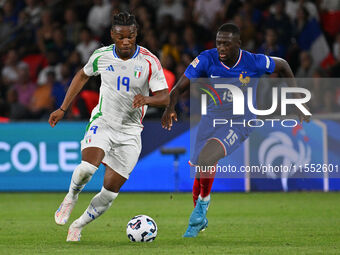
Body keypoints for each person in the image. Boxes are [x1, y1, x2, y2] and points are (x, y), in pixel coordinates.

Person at [161, 23, 310, 238]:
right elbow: (178, 88)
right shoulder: (206, 59)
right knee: (200, 168)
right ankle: (200, 217)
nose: (221, 48)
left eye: (226, 44)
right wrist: (170, 107)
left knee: (206, 158)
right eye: (219, 43)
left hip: (240, 122)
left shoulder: (254, 61)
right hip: (211, 120)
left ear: (238, 44)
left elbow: (284, 65)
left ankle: (201, 209)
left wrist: (296, 100)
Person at [48, 12, 169, 242]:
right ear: (112, 35)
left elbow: (164, 97)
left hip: (131, 132)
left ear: (136, 35)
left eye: (131, 36)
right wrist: (63, 108)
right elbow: (82, 76)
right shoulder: (101, 56)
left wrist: (148, 100)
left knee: (110, 192)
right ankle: (71, 196)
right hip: (103, 122)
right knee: (87, 168)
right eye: (121, 37)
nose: (126, 41)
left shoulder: (149, 61)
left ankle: (78, 225)